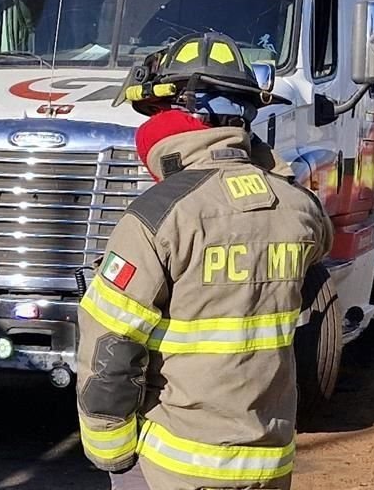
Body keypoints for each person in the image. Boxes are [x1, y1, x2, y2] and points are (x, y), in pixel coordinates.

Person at [76, 33, 334, 490]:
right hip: (269, 462)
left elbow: (112, 347)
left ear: (179, 118)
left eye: (156, 112)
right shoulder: (299, 208)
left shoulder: (156, 218)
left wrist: (109, 450)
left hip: (172, 466)